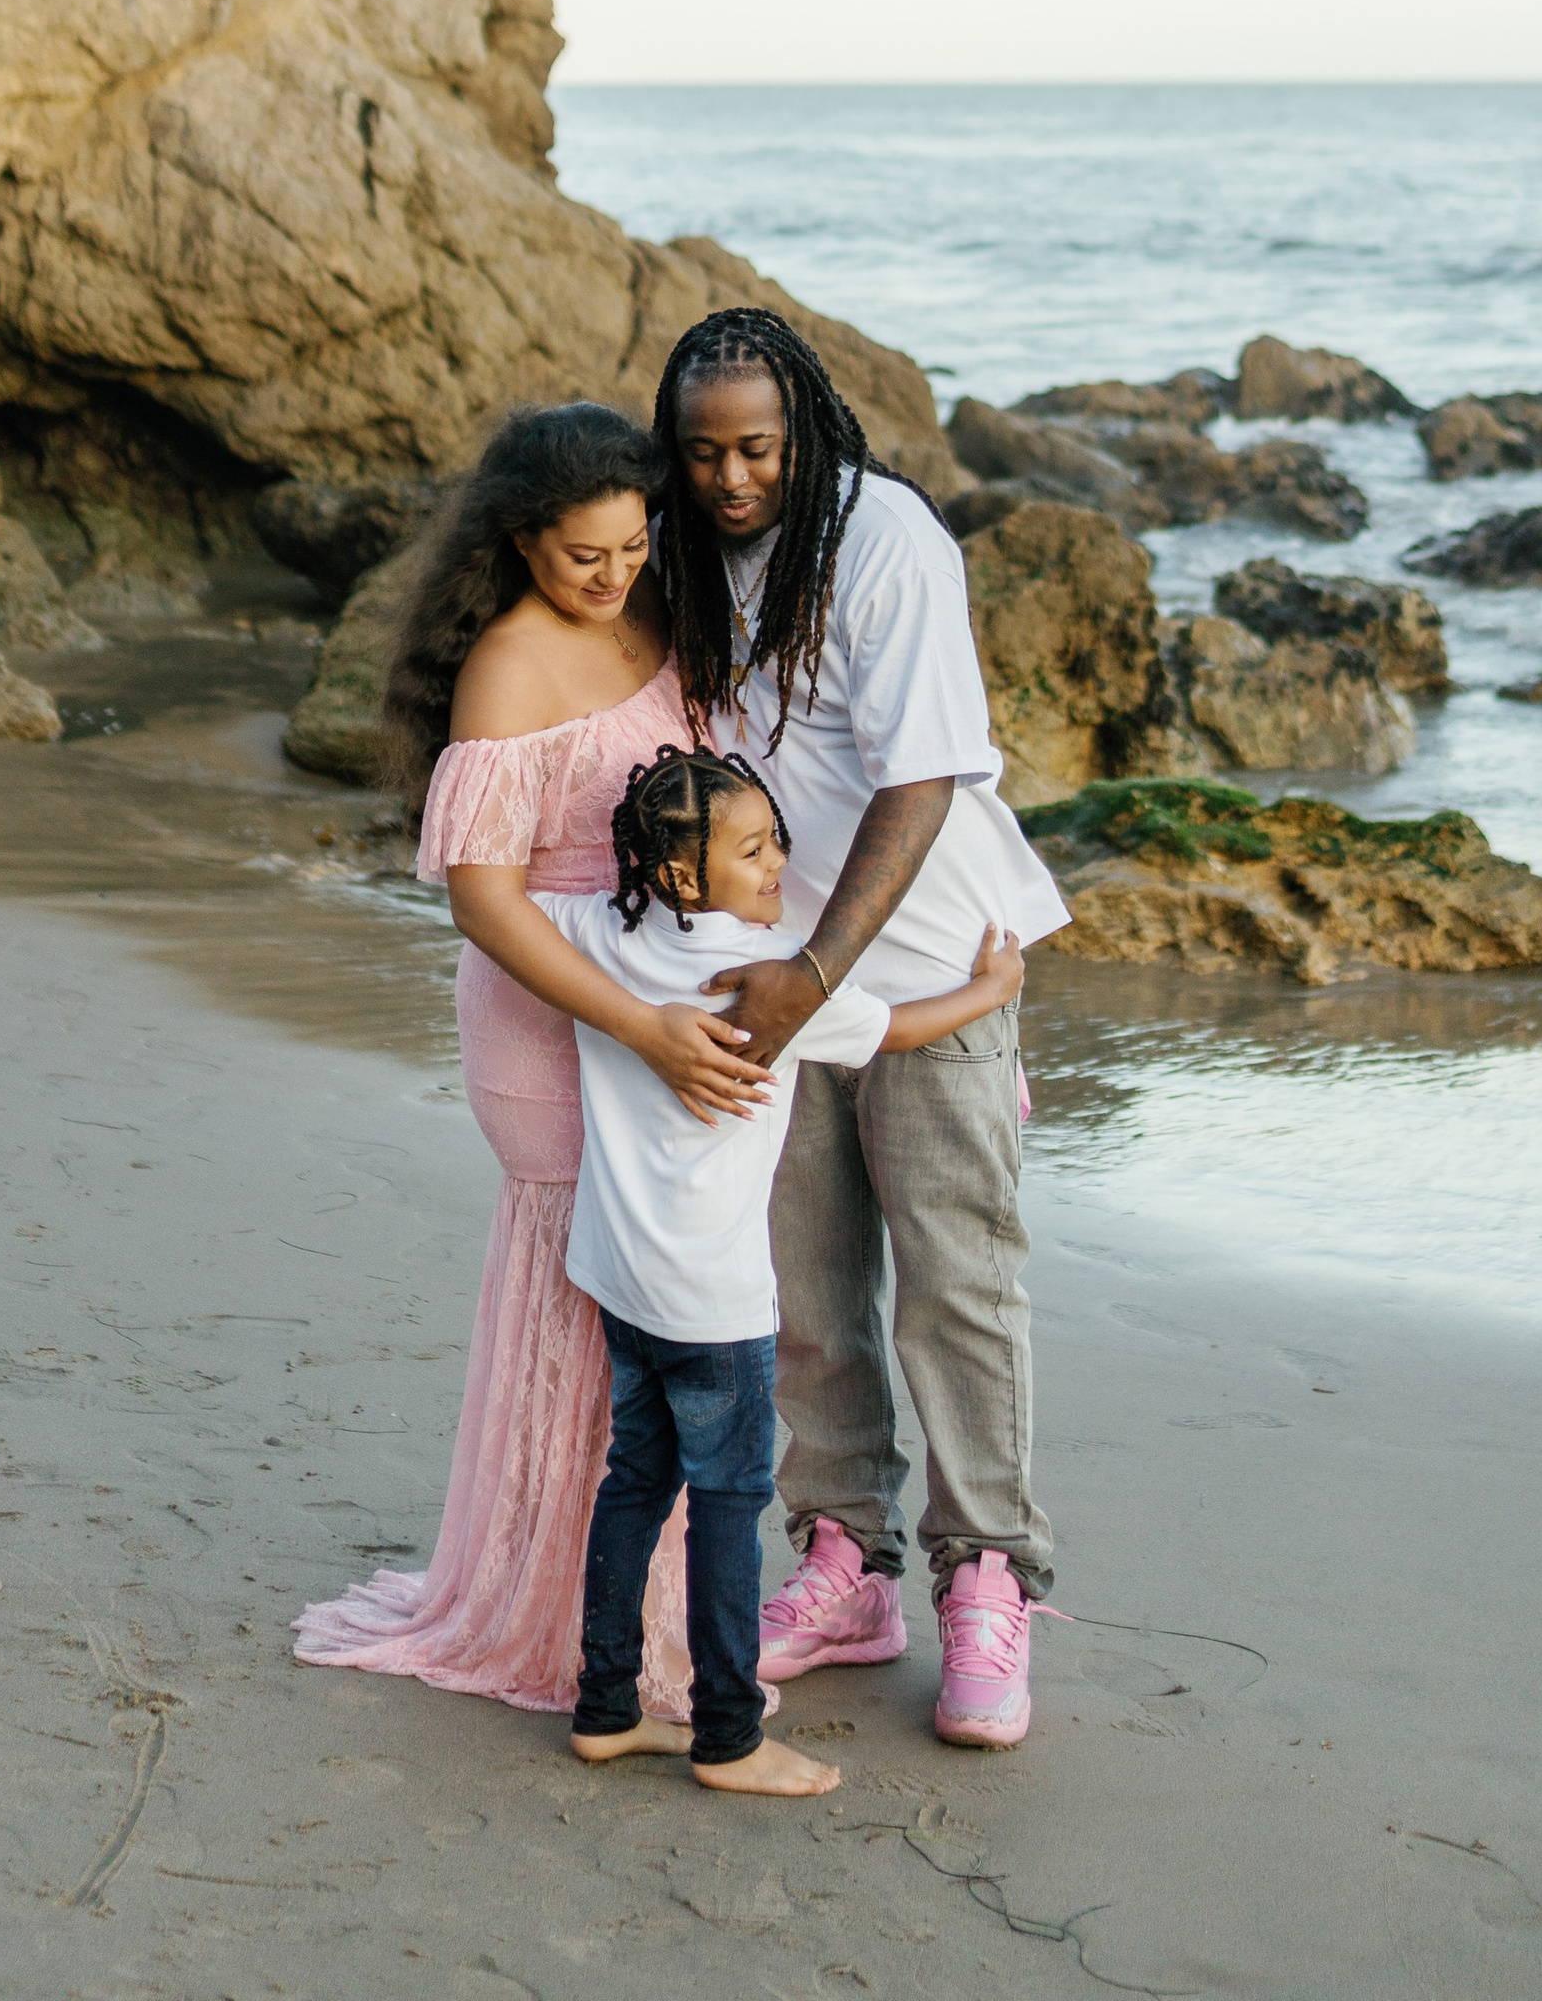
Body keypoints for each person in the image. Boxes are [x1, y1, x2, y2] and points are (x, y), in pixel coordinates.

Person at [292, 402, 762, 1717]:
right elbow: (485, 904)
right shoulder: (507, 665)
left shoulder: (662, 607)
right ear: (520, 544)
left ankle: (640, 1613)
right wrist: (641, 1024)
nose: (615, 577)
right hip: (555, 1026)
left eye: (630, 546)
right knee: (583, 1313)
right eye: (583, 558)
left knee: (666, 1302)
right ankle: (558, 1626)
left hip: (662, 1011)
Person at [651, 305, 1072, 1749]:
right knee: (803, 1287)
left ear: (807, 427)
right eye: (702, 454)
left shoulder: (886, 540)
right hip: (776, 975)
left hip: (931, 960)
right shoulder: (688, 542)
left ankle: (989, 1582)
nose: (729, 480)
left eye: (756, 448)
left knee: (959, 1287)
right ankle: (845, 1568)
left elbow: (926, 778)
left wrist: (820, 973)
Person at [545, 745, 1025, 1794]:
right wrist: (993, 984)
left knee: (634, 1486)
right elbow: (901, 1029)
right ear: (682, 873)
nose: (779, 867)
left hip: (619, 1276)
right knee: (724, 1509)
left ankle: (606, 1707)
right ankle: (727, 1736)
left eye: (777, 842)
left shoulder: (602, 935)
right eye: (756, 850)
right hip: (715, 1306)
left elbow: (529, 913)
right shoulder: (775, 988)